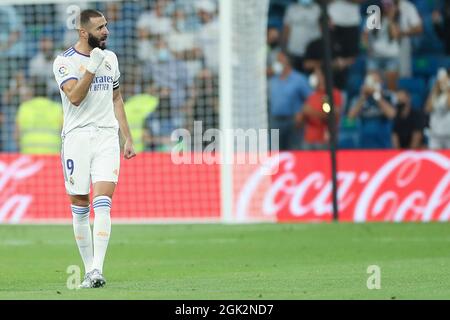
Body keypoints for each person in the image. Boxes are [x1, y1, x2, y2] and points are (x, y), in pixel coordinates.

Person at [52, 9, 136, 289]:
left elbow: (116, 98)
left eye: (106, 26)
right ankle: (88, 269)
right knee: (80, 205)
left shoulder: (110, 57)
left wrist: (128, 137)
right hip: (77, 138)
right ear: (83, 32)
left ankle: (97, 269)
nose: (106, 31)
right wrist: (91, 67)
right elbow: (74, 97)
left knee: (103, 202)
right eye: (100, 28)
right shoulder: (64, 62)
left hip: (106, 137)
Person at [269, 51, 312, 150]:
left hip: (293, 121)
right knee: (275, 151)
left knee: (293, 150)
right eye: (277, 61)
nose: (277, 63)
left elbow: (310, 98)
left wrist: (301, 113)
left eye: (280, 60)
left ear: (287, 62)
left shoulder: (299, 79)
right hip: (275, 121)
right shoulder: (273, 79)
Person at [348, 71, 397, 149]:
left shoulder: (388, 96)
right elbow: (350, 117)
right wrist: (363, 97)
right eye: (370, 82)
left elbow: (392, 114)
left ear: (381, 83)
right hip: (364, 143)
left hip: (384, 143)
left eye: (375, 82)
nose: (372, 85)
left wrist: (376, 96)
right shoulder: (359, 98)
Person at [298, 68, 343, 150]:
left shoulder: (333, 94)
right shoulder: (312, 95)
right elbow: (301, 118)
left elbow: (332, 116)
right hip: (308, 140)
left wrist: (312, 113)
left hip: (324, 140)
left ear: (323, 77)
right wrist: (302, 114)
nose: (314, 77)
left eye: (316, 75)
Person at [425, 68, 450, 149]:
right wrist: (434, 90)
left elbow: (448, 105)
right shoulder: (435, 94)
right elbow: (427, 109)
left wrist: (447, 88)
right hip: (435, 135)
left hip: (448, 134)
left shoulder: (448, 93)